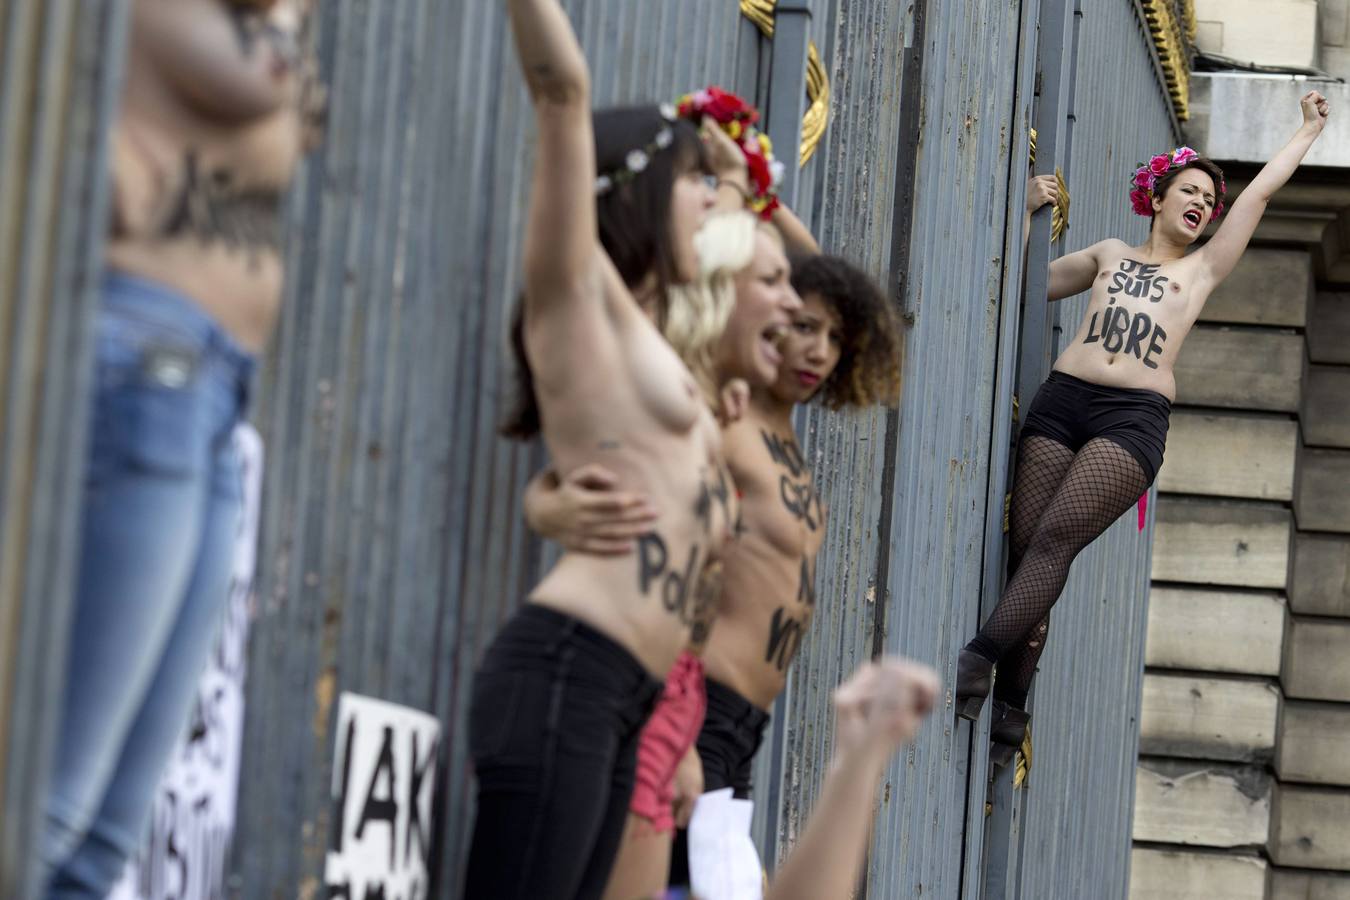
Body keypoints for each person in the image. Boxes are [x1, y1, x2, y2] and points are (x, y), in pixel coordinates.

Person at [42, 2, 321, 895]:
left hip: (212, 388)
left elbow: (299, 104)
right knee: (49, 814)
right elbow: (267, 77)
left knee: (102, 842)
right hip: (145, 366)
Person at [464, 1, 741, 896]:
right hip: (568, 671)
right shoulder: (576, 293)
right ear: (640, 188)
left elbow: (741, 216)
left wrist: (716, 163)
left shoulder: (660, 340)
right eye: (695, 185)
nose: (715, 202)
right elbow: (561, 93)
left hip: (631, 695)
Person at [956, 92, 1332, 744]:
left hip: (1132, 421)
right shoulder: (1106, 254)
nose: (1202, 205)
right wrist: (1024, 212)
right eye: (1189, 192)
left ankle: (979, 659)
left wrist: (1307, 130)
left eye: (1208, 203)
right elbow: (1026, 285)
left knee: (1054, 542)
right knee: (1026, 551)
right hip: (1063, 401)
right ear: (1157, 197)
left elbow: (1258, 199)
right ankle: (1016, 698)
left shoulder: (1203, 270)